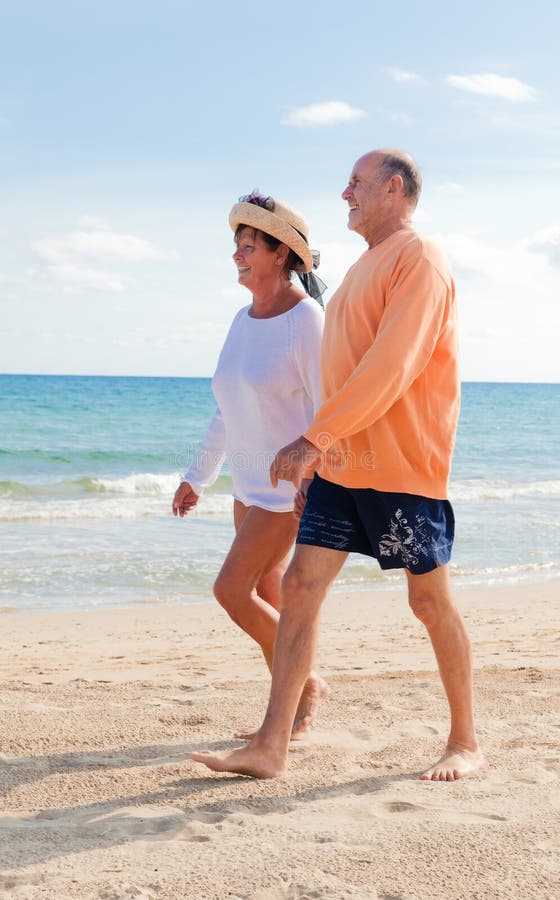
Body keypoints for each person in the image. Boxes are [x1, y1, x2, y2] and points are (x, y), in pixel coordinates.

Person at [191, 149, 486, 782]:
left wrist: (311, 438)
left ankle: (464, 739)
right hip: (343, 467)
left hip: (401, 467)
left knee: (429, 603)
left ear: (394, 188)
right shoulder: (363, 268)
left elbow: (394, 365)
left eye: (356, 182)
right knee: (298, 589)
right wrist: (320, 457)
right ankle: (272, 745)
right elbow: (340, 375)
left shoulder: (421, 260)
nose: (344, 191)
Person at [173, 191, 327, 735]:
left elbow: (327, 405)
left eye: (248, 246)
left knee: (230, 591)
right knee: (265, 594)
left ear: (280, 253)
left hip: (286, 492)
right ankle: (289, 713)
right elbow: (229, 407)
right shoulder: (243, 319)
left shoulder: (305, 321)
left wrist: (316, 472)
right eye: (237, 246)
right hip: (245, 488)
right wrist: (199, 476)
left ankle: (306, 683)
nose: (237, 256)